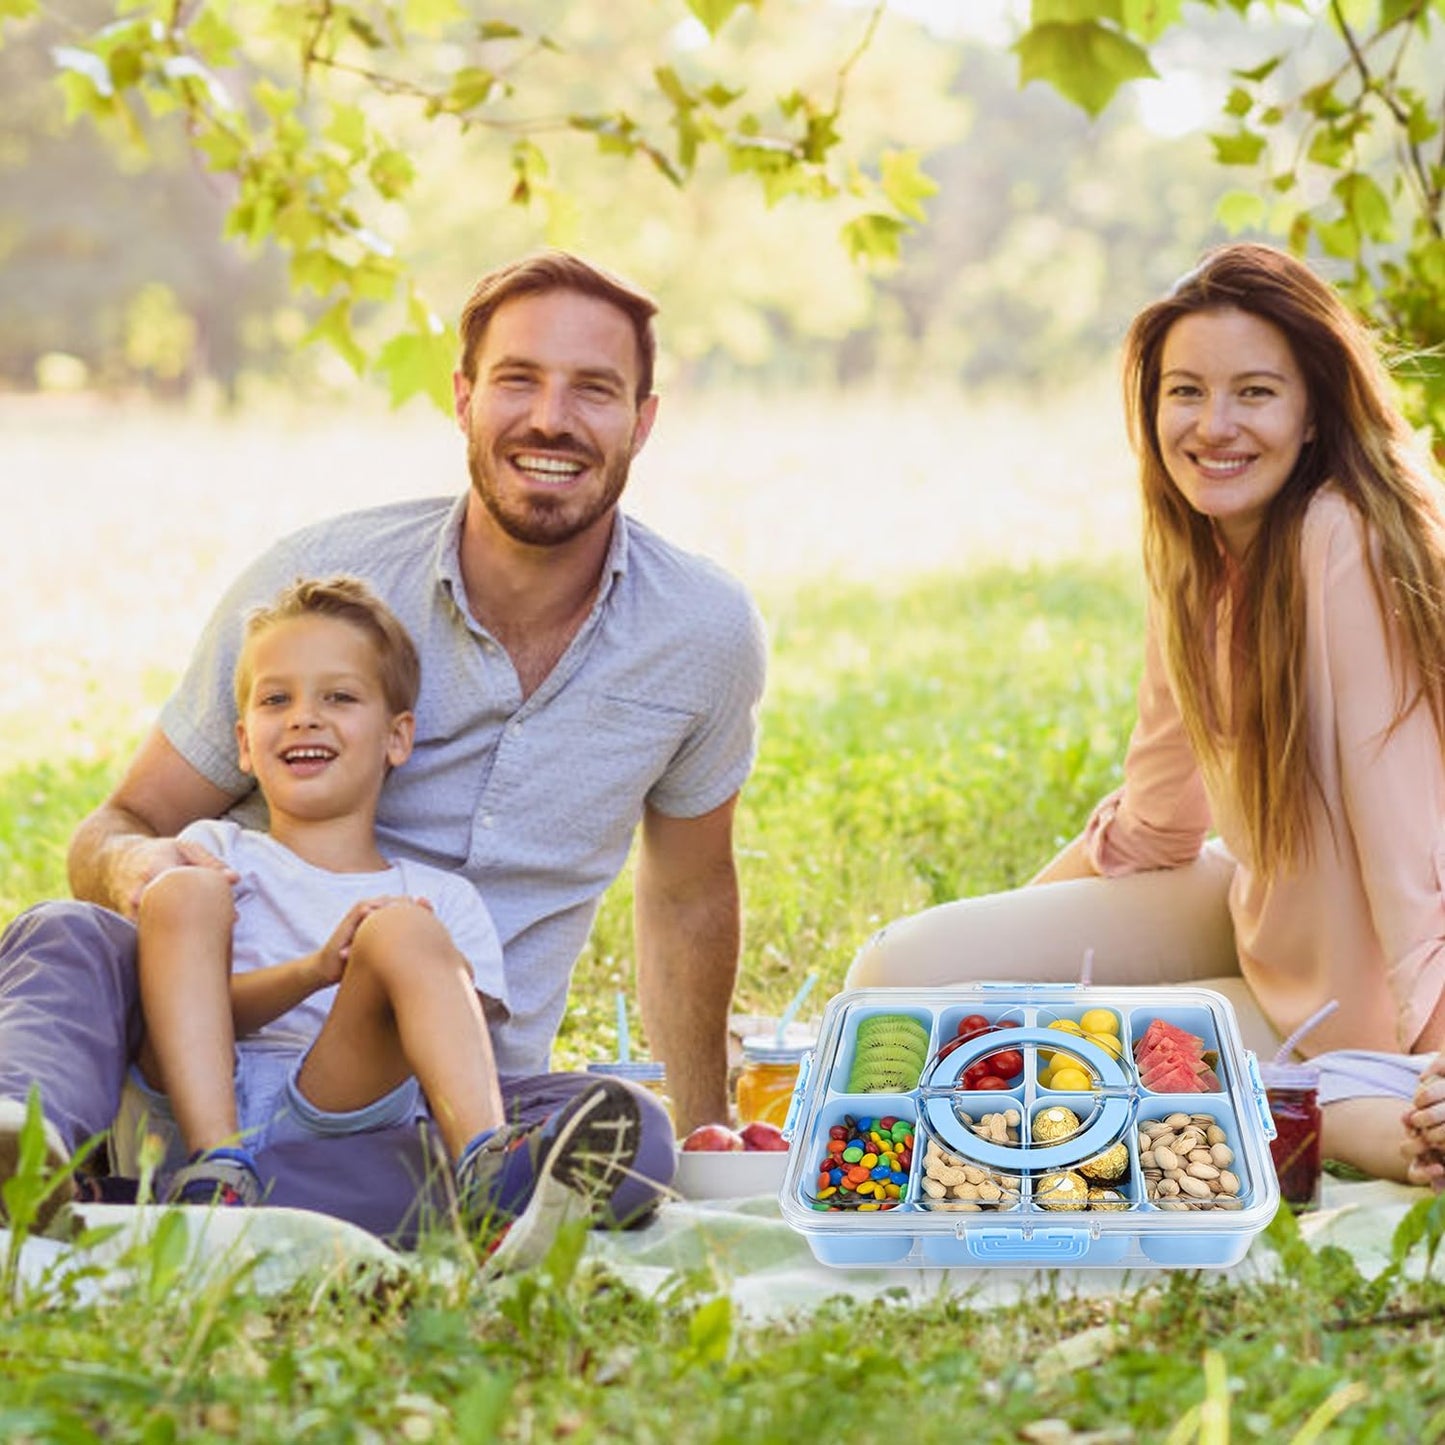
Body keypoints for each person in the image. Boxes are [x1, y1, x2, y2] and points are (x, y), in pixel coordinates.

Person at [0, 250, 767, 1241]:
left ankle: (173, 1202)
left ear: (641, 420)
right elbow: (121, 822)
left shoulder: (700, 632)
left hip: (435, 1104)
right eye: (517, 379)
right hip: (196, 1055)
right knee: (66, 931)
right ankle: (30, 1146)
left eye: (593, 388)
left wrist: (706, 1132)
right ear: (464, 398)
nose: (550, 419)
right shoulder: (317, 585)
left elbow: (689, 892)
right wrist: (145, 871)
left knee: (632, 1141)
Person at [847, 241, 1445, 1187]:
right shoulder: (1197, 557)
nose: (1213, 425)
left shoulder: (1341, 538)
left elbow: (1411, 850)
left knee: (1097, 1084)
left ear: (1312, 414)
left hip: (1373, 1006)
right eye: (1184, 392)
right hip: (1260, 927)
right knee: (898, 985)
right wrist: (1007, 939)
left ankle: (1375, 1108)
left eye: (1254, 392)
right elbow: (1155, 824)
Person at [119, 574, 642, 1269]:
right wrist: (311, 972)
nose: (304, 717)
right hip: (199, 1099)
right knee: (183, 890)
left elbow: (446, 1046)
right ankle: (216, 1173)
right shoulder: (215, 853)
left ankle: (488, 1170)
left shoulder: (440, 898)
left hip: (344, 1105)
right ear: (244, 743)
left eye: (338, 697)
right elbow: (173, 1013)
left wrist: (371, 956)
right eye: (276, 699)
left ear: (397, 738)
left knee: (403, 929)